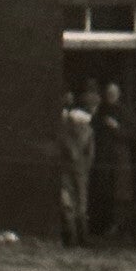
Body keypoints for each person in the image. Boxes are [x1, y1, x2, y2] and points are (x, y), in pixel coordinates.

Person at [90, 82, 134, 239]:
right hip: (104, 157)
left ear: (118, 94)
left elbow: (132, 134)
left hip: (119, 159)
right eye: (108, 93)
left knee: (119, 193)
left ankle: (119, 227)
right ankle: (102, 226)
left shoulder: (124, 112)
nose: (111, 96)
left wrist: (116, 127)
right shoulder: (101, 111)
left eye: (113, 93)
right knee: (104, 191)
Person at [59, 87, 97, 246]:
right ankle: (83, 238)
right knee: (81, 203)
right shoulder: (88, 130)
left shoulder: (65, 127)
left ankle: (71, 238)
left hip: (66, 168)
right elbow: (90, 153)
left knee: (68, 202)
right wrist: (86, 167)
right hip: (81, 170)